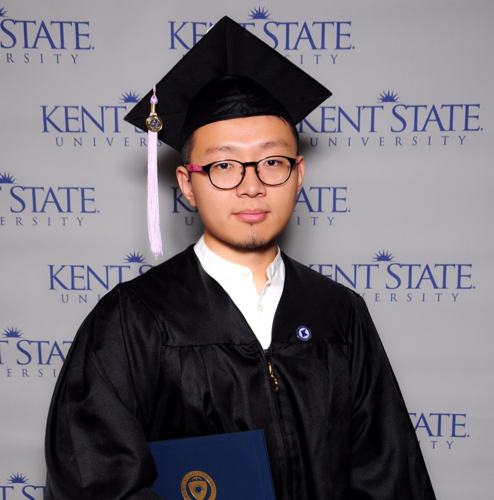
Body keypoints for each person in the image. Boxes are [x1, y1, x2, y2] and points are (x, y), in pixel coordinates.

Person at [45, 17, 435, 499]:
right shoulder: (131, 320)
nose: (251, 185)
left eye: (272, 162)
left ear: (298, 174)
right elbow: (95, 480)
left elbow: (390, 475)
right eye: (224, 165)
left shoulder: (340, 313)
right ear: (188, 184)